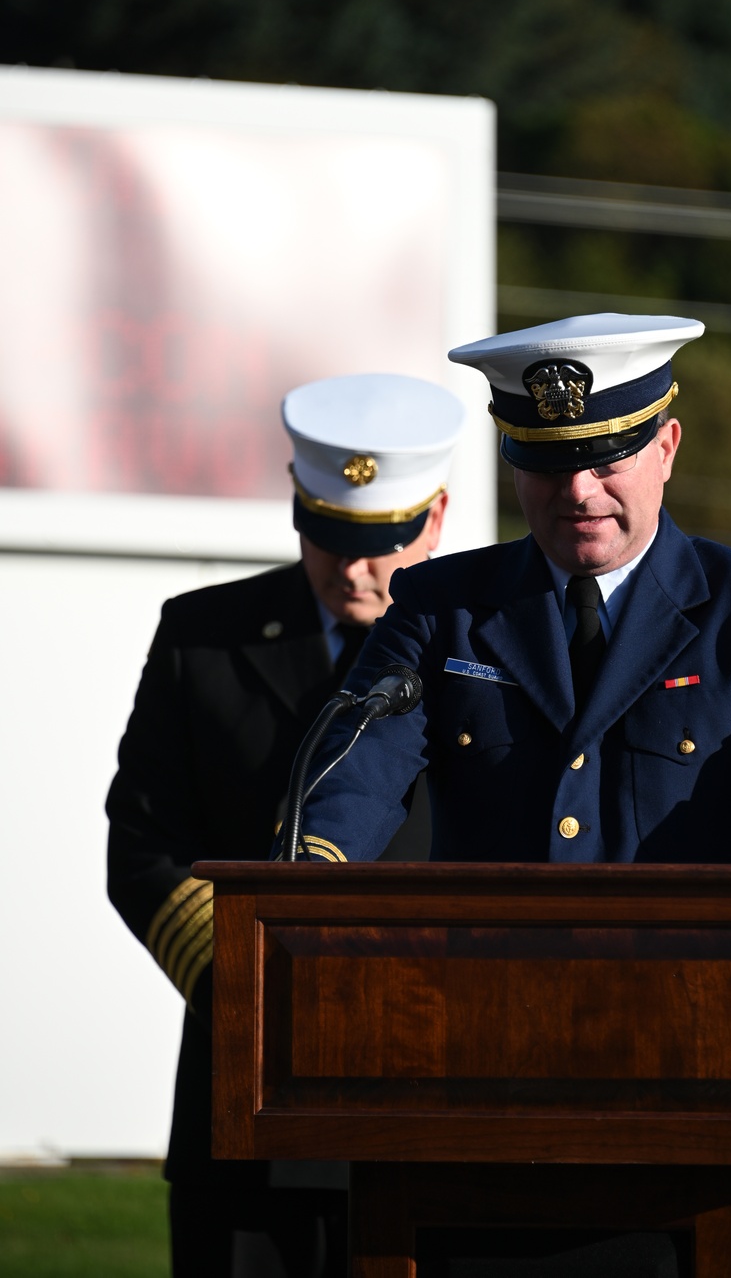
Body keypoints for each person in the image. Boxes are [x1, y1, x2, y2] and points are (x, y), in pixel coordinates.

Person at [289, 315, 731, 996]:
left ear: (666, 448)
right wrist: (300, 885)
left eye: (607, 460)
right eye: (548, 464)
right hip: (483, 1008)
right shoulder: (440, 606)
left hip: (699, 1011)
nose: (579, 492)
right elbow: (359, 768)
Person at [106, 372, 466, 1278]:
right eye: (330, 536)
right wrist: (256, 988)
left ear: (439, 517)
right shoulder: (203, 635)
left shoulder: (490, 642)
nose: (354, 569)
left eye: (382, 543)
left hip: (435, 1087)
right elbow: (142, 846)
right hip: (247, 1092)